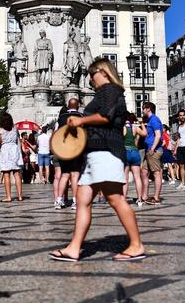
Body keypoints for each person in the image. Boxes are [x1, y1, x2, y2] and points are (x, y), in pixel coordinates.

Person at [50, 57, 145, 262]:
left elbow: (106, 116)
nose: (90, 79)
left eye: (92, 74)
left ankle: (136, 245)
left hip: (107, 150)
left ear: (103, 72)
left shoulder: (111, 90)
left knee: (115, 199)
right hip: (95, 153)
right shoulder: (102, 93)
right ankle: (74, 248)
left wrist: (81, 120)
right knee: (83, 200)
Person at [55, 99, 84, 209]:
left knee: (64, 174)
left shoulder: (61, 117)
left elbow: (56, 132)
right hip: (76, 149)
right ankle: (75, 201)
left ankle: (59, 200)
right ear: (78, 106)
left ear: (68, 106)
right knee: (75, 175)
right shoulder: (81, 116)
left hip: (64, 149)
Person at [139, 101, 164, 205]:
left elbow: (158, 135)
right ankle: (144, 196)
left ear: (148, 109)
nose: (142, 110)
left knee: (156, 173)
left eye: (143, 108)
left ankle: (156, 198)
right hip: (148, 150)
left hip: (153, 150)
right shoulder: (149, 120)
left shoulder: (154, 120)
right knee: (144, 172)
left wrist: (153, 148)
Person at [0, 113, 23, 202]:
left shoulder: (0, 130)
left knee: (6, 174)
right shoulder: (15, 129)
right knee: (16, 174)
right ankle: (19, 196)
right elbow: (18, 141)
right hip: (14, 150)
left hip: (5, 151)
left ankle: (8, 196)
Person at [122, 113, 144, 204]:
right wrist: (142, 123)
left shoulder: (122, 128)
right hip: (135, 152)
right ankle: (139, 199)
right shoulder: (135, 127)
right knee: (137, 177)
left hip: (125, 152)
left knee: (125, 178)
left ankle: (123, 200)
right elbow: (145, 133)